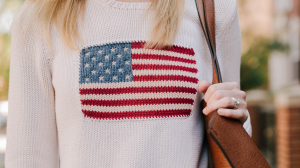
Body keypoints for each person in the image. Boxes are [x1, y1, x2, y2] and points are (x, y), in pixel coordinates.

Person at [5, 0, 252, 167]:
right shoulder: (39, 17)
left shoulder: (212, 8)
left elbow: (230, 141)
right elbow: (27, 158)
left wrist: (236, 114)